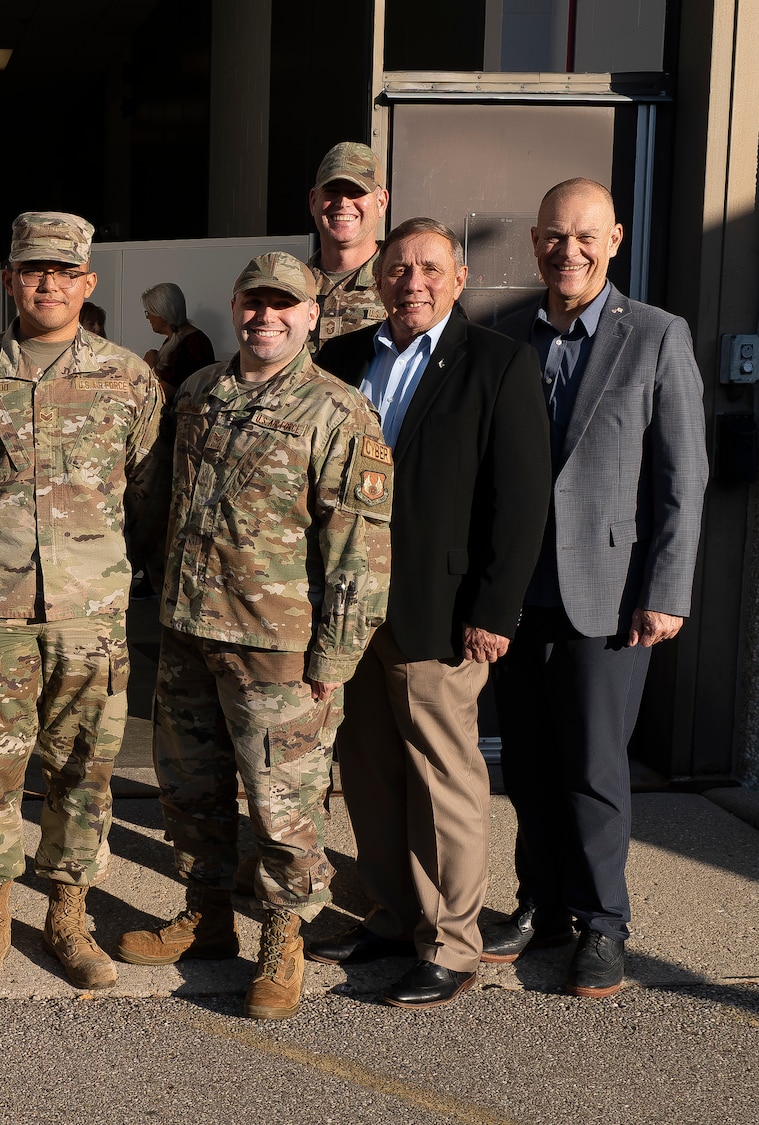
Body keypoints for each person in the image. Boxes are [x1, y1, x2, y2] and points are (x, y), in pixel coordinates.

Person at [116, 252, 393, 1022]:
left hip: (278, 644)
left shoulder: (339, 412)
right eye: (253, 302)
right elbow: (165, 499)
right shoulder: (201, 393)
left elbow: (359, 547)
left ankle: (283, 937)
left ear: (311, 316)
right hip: (188, 630)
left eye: (283, 304)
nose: (265, 316)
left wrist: (335, 654)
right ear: (235, 306)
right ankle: (205, 917)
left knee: (283, 803)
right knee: (190, 786)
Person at [0, 212, 166, 994]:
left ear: (88, 282)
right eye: (32, 270)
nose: (48, 283)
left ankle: (66, 916)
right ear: (8, 279)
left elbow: (150, 493)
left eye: (63, 271)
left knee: (83, 770)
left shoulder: (129, 378)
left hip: (90, 611)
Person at [308, 217, 550, 1008]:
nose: (412, 280)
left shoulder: (498, 364)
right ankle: (390, 913)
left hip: (440, 612)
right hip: (349, 611)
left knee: (445, 779)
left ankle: (451, 943)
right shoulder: (341, 359)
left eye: (428, 267)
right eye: (398, 267)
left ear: (458, 277)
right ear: (378, 279)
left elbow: (518, 501)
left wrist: (495, 607)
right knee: (370, 773)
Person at [479, 179, 708, 997]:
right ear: (535, 241)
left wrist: (668, 588)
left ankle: (604, 924)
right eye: (552, 237)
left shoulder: (655, 335)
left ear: (613, 239)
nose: (566, 251)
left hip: (610, 596)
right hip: (519, 595)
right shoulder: (505, 337)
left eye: (584, 237)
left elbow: (684, 476)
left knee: (595, 765)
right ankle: (541, 904)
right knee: (531, 764)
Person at [306, 142, 390, 348]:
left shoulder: (402, 285)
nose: (343, 202)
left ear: (381, 202)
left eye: (356, 192)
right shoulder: (294, 285)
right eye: (332, 191)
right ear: (313, 201)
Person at [139, 282, 215, 390]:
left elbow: (164, 394)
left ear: (163, 313)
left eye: (150, 312)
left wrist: (151, 364)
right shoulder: (173, 340)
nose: (148, 317)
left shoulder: (194, 344)